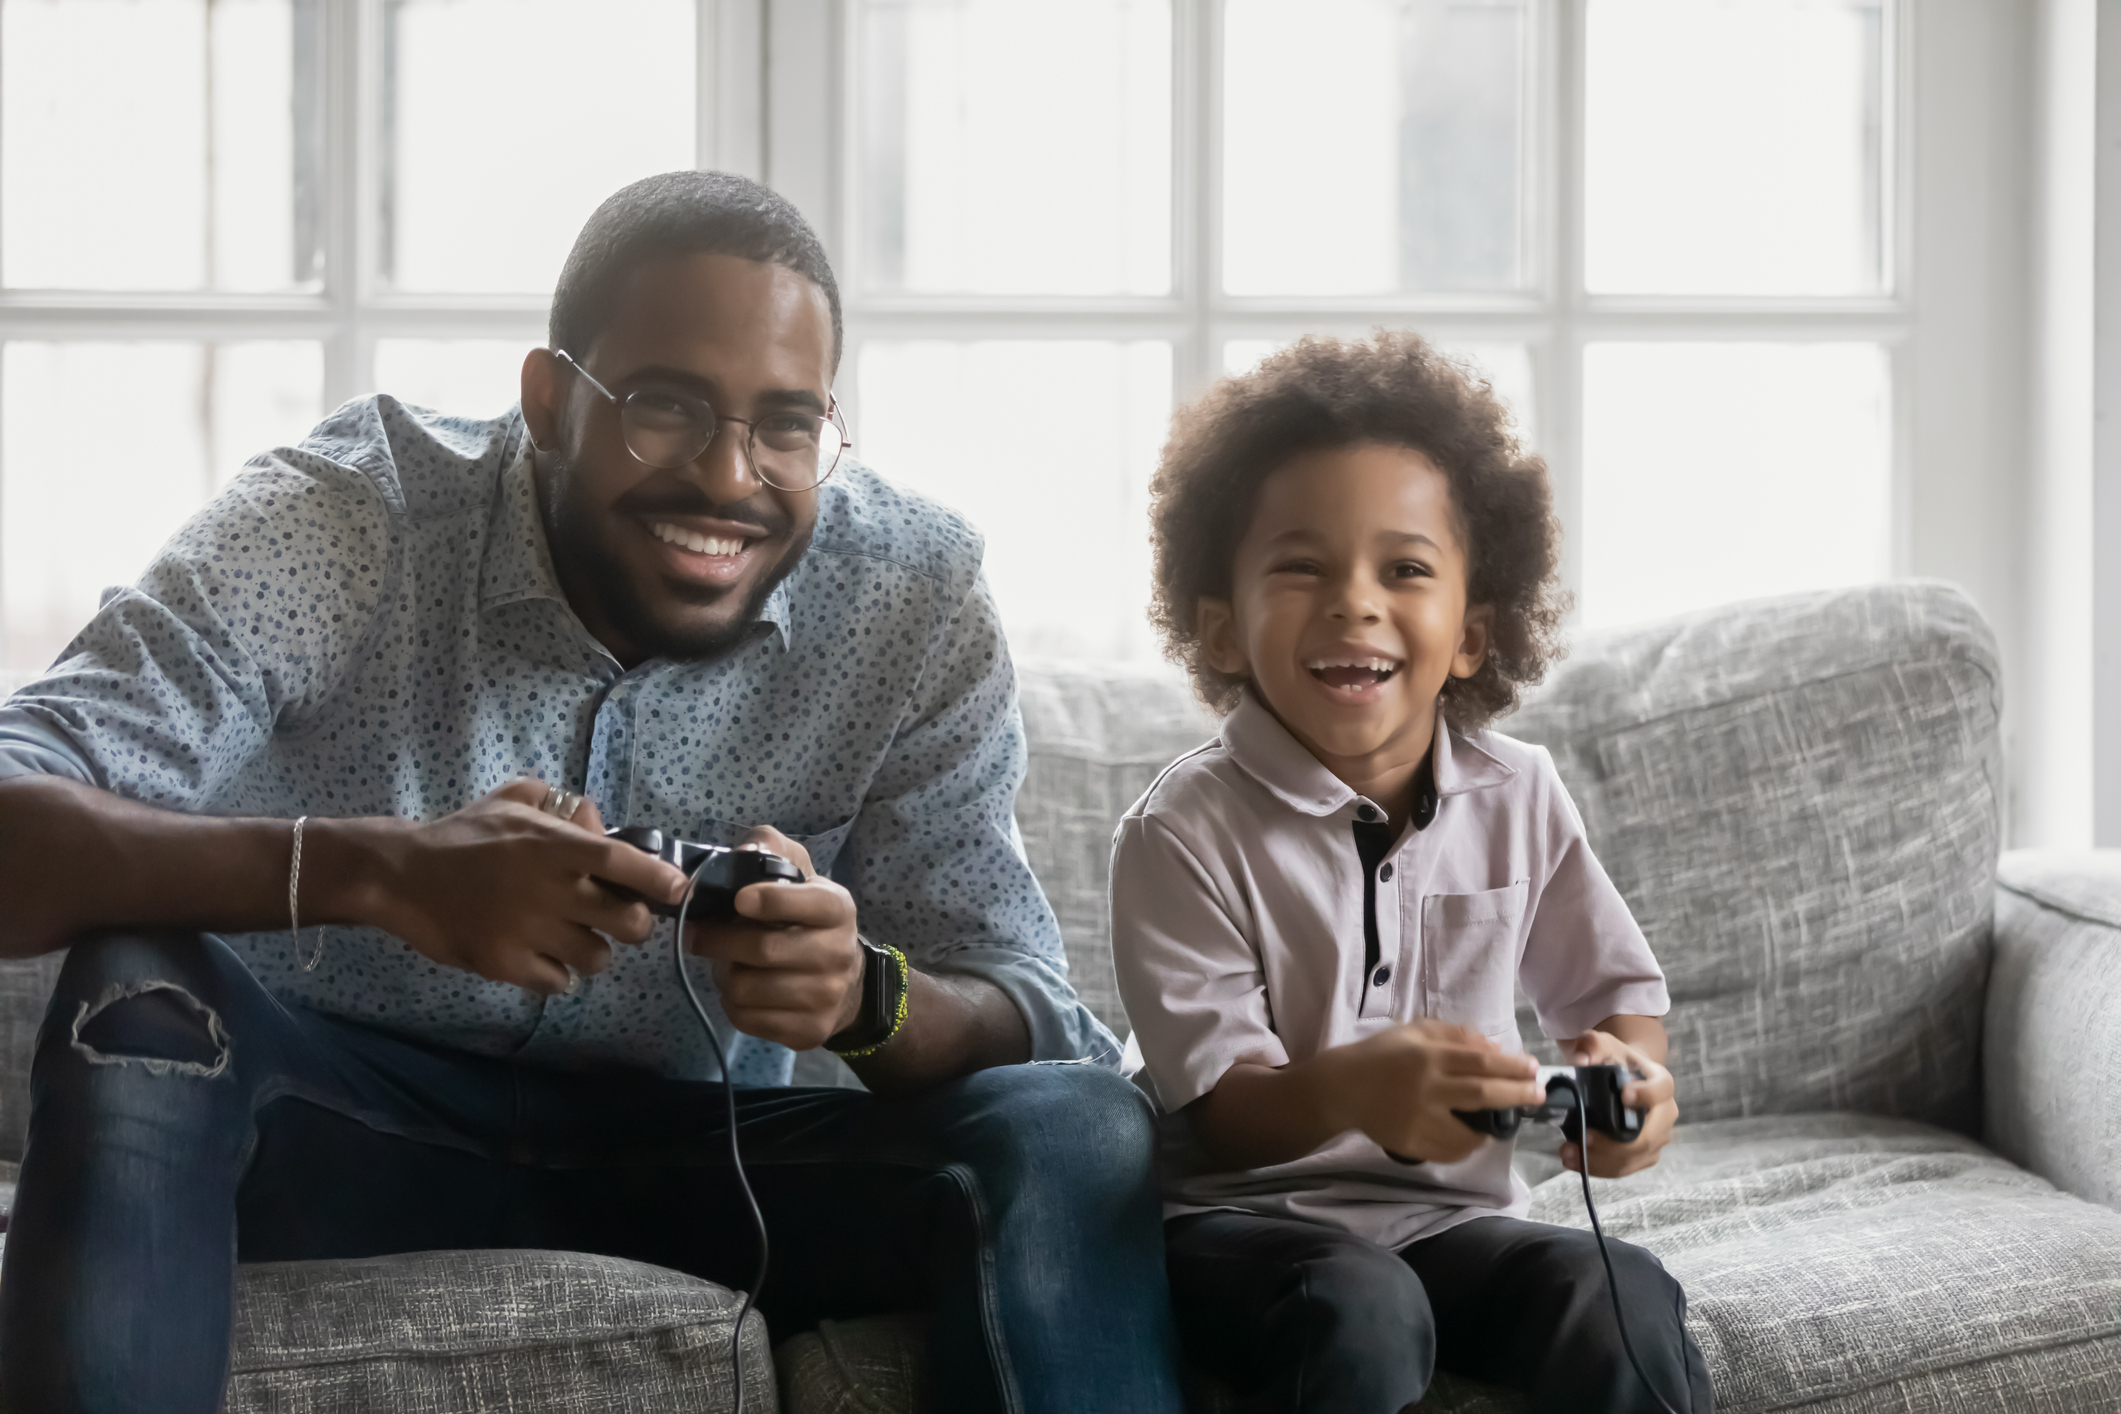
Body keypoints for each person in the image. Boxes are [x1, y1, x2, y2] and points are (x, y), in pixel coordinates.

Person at [0, 170, 1184, 1414]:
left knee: (1077, 1128)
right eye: (666, 407)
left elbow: (1037, 1018)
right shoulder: (350, 515)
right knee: (141, 986)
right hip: (329, 1128)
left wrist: (863, 998)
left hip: (706, 1162)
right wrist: (383, 871)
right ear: (550, 400)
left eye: (787, 425)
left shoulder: (912, 597)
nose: (728, 477)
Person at [1109, 331, 1714, 1414]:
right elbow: (1223, 1113)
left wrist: (1628, 1084)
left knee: (1616, 1289)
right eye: (1302, 566)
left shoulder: (1519, 792)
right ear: (1221, 629)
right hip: (1235, 1227)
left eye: (1405, 569)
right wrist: (1353, 1087)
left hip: (1451, 1221)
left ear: (1472, 633)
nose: (1355, 601)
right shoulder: (1179, 830)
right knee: (1358, 1305)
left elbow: (1613, 999)